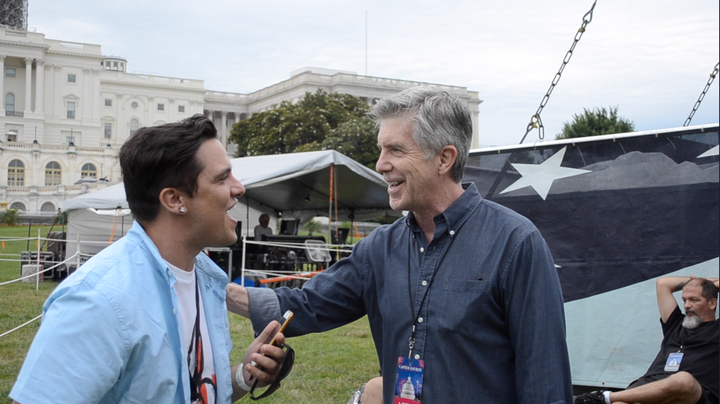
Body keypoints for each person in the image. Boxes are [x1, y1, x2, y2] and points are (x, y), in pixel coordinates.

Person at [227, 86, 573, 403]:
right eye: (381, 149)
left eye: (395, 150)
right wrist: (211, 285)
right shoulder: (379, 248)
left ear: (444, 158)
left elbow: (545, 383)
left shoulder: (515, 243)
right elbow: (306, 304)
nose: (381, 165)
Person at [10, 115, 289, 404]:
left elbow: (192, 390)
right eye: (222, 177)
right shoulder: (100, 300)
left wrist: (245, 375)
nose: (239, 187)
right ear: (174, 200)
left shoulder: (207, 278)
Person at [575, 275, 719, 404]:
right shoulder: (675, 324)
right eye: (684, 300)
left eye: (694, 300)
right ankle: (611, 399)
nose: (687, 305)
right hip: (650, 386)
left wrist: (711, 286)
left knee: (683, 380)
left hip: (690, 392)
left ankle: (605, 397)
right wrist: (694, 282)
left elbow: (684, 383)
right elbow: (663, 284)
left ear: (712, 303)